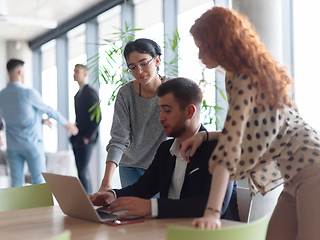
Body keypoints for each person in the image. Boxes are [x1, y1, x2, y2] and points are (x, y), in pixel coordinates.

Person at [179, 6, 320, 239]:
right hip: (293, 175)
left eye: (203, 47)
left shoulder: (246, 78)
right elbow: (242, 128)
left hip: (311, 170)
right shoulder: (237, 75)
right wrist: (205, 135)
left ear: (220, 43)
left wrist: (213, 213)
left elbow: (230, 146)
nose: (199, 55)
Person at [90, 77, 238, 220]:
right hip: (170, 231)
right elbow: (143, 188)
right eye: (160, 110)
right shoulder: (165, 150)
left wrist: (152, 207)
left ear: (189, 112)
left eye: (167, 111)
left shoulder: (217, 149)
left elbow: (214, 205)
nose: (160, 118)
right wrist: (112, 195)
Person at [97, 38, 169, 192]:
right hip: (130, 167)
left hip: (164, 166)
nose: (139, 71)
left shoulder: (174, 89)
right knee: (132, 215)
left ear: (157, 60)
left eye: (144, 63)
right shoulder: (125, 94)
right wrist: (106, 181)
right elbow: (118, 138)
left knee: (159, 214)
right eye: (133, 67)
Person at [0, 59, 78, 187]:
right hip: (32, 145)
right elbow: (49, 110)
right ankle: (41, 208)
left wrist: (41, 120)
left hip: (13, 147)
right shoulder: (28, 93)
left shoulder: (2, 96)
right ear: (20, 72)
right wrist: (67, 124)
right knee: (38, 183)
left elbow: (17, 116)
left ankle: (20, 207)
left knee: (16, 185)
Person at [70, 64, 101, 194]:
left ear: (85, 74)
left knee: (83, 171)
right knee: (81, 171)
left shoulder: (90, 92)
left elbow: (97, 118)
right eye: (74, 71)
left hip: (86, 138)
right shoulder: (78, 94)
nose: (74, 74)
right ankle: (86, 199)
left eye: (77, 71)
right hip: (78, 138)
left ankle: (88, 201)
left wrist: (87, 137)